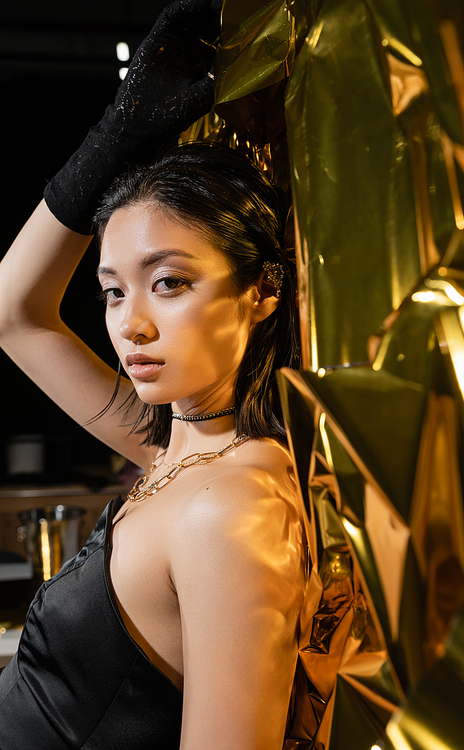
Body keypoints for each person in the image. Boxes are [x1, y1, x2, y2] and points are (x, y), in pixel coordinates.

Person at [0, 2, 305, 749]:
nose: (130, 324)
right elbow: (14, 313)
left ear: (262, 290)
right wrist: (114, 137)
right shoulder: (175, 447)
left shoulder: (228, 509)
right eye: (112, 290)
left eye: (168, 282)